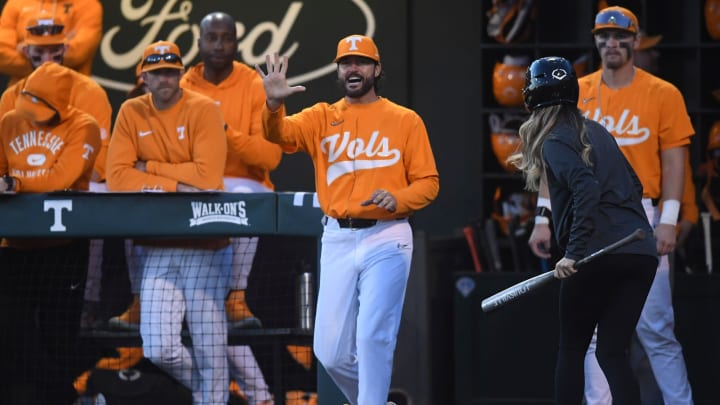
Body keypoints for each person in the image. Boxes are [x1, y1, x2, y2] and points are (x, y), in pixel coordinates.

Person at [255, 34, 440, 405]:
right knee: (329, 352)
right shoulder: (322, 116)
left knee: (374, 336)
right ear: (338, 71)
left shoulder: (405, 120)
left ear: (377, 69)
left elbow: (429, 183)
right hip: (337, 237)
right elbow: (279, 134)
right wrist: (273, 104)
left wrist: (399, 196)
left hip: (387, 236)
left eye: (361, 62)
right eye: (345, 63)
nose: (353, 68)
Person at [528, 6, 695, 404]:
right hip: (613, 221)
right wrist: (543, 216)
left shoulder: (661, 92)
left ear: (636, 41)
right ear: (596, 40)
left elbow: (673, 163)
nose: (612, 43)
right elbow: (559, 172)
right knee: (600, 344)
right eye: (604, 36)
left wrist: (669, 219)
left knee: (654, 328)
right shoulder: (579, 90)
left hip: (636, 214)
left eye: (621, 36)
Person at [511, 55, 657, 404]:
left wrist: (574, 252)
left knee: (573, 348)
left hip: (594, 255)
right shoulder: (599, 131)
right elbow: (635, 186)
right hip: (640, 254)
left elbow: (586, 188)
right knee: (611, 352)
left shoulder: (554, 140)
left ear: (532, 98)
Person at [106, 40, 232, 404]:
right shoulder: (131, 112)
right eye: (157, 72)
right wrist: (178, 184)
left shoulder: (204, 108)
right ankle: (205, 390)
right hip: (156, 246)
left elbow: (208, 178)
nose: (165, 79)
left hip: (205, 243)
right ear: (144, 76)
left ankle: (211, 396)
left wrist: (153, 171)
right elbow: (117, 178)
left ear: (180, 74)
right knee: (159, 347)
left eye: (171, 72)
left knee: (211, 348)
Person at [0, 62, 101, 404]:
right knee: (12, 330)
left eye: (40, 106)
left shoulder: (84, 127)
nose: (30, 113)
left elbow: (61, 180)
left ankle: (60, 398)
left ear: (61, 104)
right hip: (15, 246)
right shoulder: (9, 121)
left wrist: (16, 183)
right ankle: (67, 398)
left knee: (60, 337)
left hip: (64, 247)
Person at [0, 0, 103, 87]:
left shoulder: (88, 5)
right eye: (37, 51)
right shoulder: (16, 2)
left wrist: (31, 50)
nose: (46, 57)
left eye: (54, 50)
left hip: (70, 97)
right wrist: (60, 43)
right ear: (25, 50)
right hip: (20, 95)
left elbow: (76, 54)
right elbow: (2, 56)